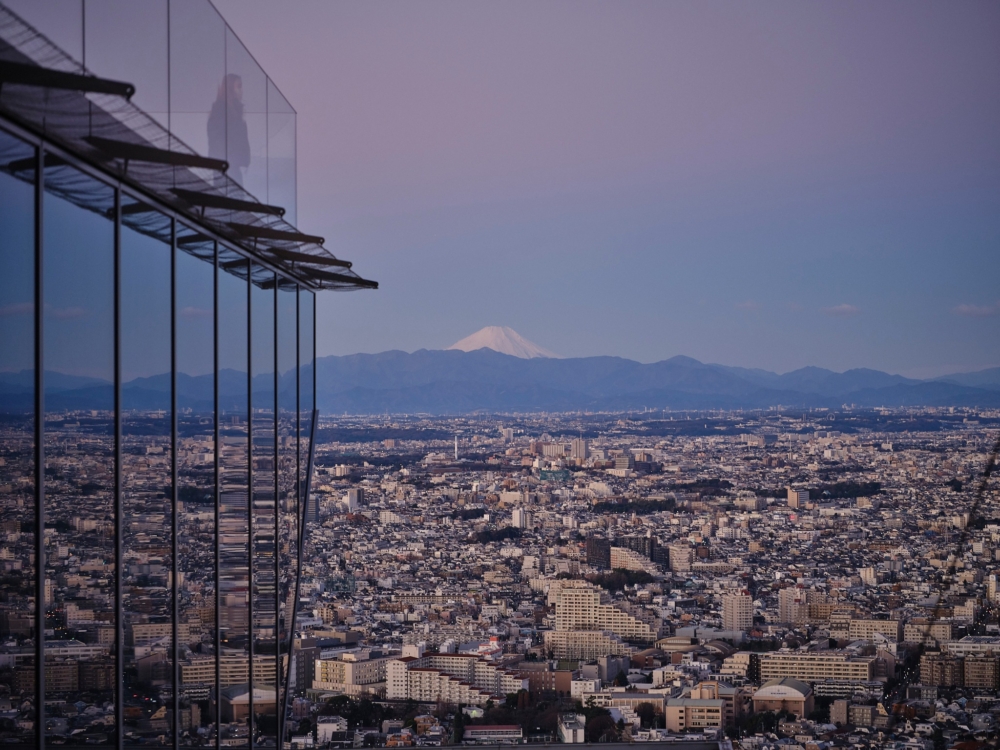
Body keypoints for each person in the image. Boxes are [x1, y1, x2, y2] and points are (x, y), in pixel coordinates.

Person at [207, 73, 251, 186]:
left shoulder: (234, 110)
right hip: (225, 168)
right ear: (230, 87)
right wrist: (234, 159)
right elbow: (216, 139)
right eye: (239, 86)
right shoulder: (220, 109)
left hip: (231, 166)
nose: (242, 90)